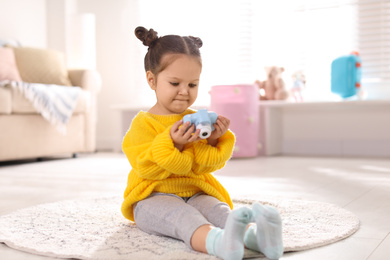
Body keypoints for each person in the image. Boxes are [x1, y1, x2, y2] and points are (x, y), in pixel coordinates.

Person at [121, 26, 284, 260]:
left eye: (192, 85)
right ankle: (217, 243)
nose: (184, 92)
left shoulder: (194, 120)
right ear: (152, 80)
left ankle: (257, 238)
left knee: (219, 211)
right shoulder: (142, 125)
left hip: (196, 192)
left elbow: (203, 167)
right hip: (153, 197)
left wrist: (215, 140)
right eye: (175, 83)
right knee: (183, 217)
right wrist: (172, 144)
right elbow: (145, 167)